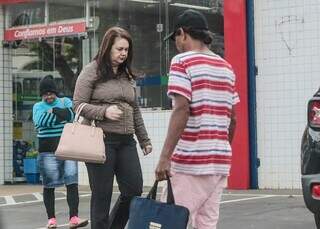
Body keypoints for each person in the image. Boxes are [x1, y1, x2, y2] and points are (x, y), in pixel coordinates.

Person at [155, 9, 240, 229]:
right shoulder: (226, 67)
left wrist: (165, 157)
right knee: (206, 225)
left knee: (171, 222)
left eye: (175, 37)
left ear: (183, 33)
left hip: (190, 163)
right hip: (219, 163)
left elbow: (181, 109)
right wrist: (218, 149)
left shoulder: (182, 61)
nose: (176, 43)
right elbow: (233, 119)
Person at [73, 26, 152, 229]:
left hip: (126, 141)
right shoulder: (92, 70)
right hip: (100, 140)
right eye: (119, 49)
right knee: (102, 195)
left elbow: (134, 109)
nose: (123, 54)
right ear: (108, 48)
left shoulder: (126, 75)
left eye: (126, 50)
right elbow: (78, 105)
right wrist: (104, 112)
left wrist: (144, 139)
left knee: (134, 190)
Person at [33, 75, 88, 229]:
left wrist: (54, 110)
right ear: (41, 95)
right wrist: (60, 115)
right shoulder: (37, 106)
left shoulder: (65, 102)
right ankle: (51, 219)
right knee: (49, 186)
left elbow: (71, 116)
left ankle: (74, 218)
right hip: (47, 152)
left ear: (56, 92)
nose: (49, 97)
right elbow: (39, 122)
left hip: (68, 148)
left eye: (51, 93)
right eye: (45, 94)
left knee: (72, 184)